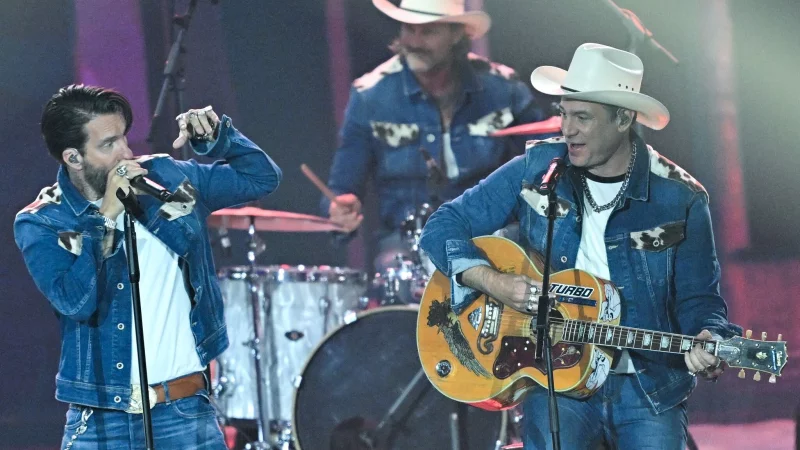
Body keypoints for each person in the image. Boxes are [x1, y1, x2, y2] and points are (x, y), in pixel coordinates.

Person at [418, 43, 741, 449]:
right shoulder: (539, 170)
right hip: (555, 376)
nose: (566, 129)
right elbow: (443, 225)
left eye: (582, 117)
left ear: (624, 118)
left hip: (647, 385)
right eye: (563, 113)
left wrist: (708, 337)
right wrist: (491, 282)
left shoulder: (680, 198)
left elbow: (700, 298)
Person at [14, 85, 281, 449]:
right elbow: (77, 303)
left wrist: (219, 140)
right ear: (74, 158)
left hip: (184, 410)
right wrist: (106, 219)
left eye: (123, 138)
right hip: (101, 422)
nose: (125, 153)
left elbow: (262, 178)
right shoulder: (43, 221)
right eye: (108, 145)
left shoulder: (168, 178)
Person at [322, 0, 549, 272]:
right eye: (409, 29)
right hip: (407, 243)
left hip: (492, 232)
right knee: (400, 270)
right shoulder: (370, 95)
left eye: (428, 32)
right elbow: (342, 185)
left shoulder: (502, 87)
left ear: (457, 34)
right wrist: (339, 208)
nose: (414, 41)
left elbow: (546, 158)